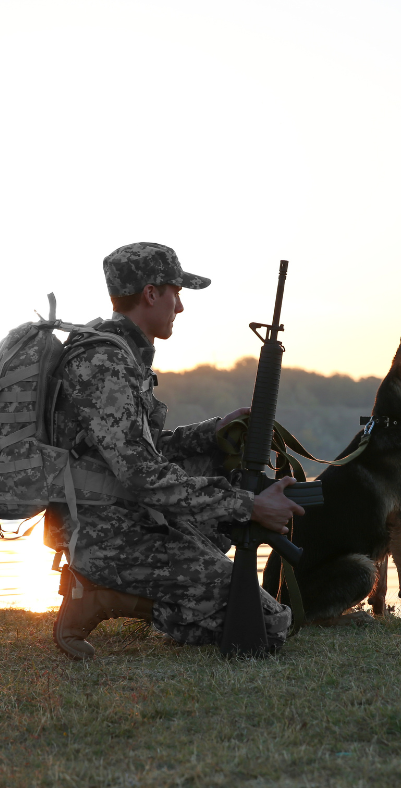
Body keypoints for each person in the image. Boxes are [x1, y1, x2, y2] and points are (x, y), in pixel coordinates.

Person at [48, 241, 303, 659]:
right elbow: (142, 475)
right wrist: (247, 506)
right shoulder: (105, 364)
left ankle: (160, 579)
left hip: (122, 515)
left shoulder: (122, 355)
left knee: (223, 458)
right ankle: (99, 595)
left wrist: (213, 431)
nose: (180, 306)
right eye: (176, 293)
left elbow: (142, 452)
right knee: (269, 625)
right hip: (104, 534)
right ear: (151, 293)